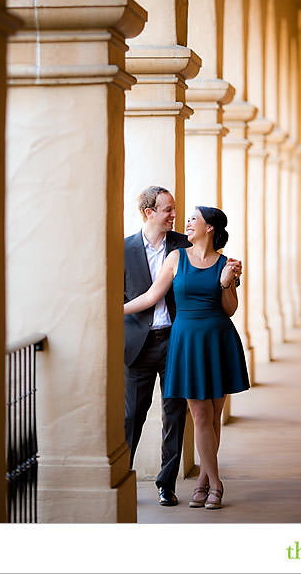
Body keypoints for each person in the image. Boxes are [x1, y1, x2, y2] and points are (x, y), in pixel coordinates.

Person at [124, 205, 249, 510]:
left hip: (218, 340)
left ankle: (204, 482)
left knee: (213, 418)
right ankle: (217, 485)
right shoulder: (176, 257)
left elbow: (230, 309)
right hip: (186, 342)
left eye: (194, 219)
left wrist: (227, 282)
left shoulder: (226, 264)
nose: (187, 222)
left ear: (210, 228)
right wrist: (111, 312)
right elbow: (152, 297)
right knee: (200, 416)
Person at [124, 186, 189, 506]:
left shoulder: (183, 245)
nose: (174, 214)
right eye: (168, 210)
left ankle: (167, 483)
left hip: (176, 342)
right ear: (149, 213)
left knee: (174, 414)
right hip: (138, 345)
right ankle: (122, 475)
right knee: (131, 415)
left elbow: (208, 268)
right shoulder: (122, 250)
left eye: (174, 209)